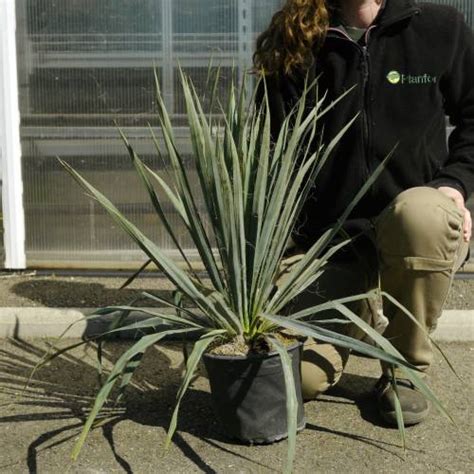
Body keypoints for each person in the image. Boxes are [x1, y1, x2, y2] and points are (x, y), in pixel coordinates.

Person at [253, 0, 474, 426]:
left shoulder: (437, 27)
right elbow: (271, 151)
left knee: (423, 214)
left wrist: (457, 183)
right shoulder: (296, 38)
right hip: (332, 243)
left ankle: (403, 366)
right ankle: (360, 313)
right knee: (297, 378)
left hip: (412, 223)